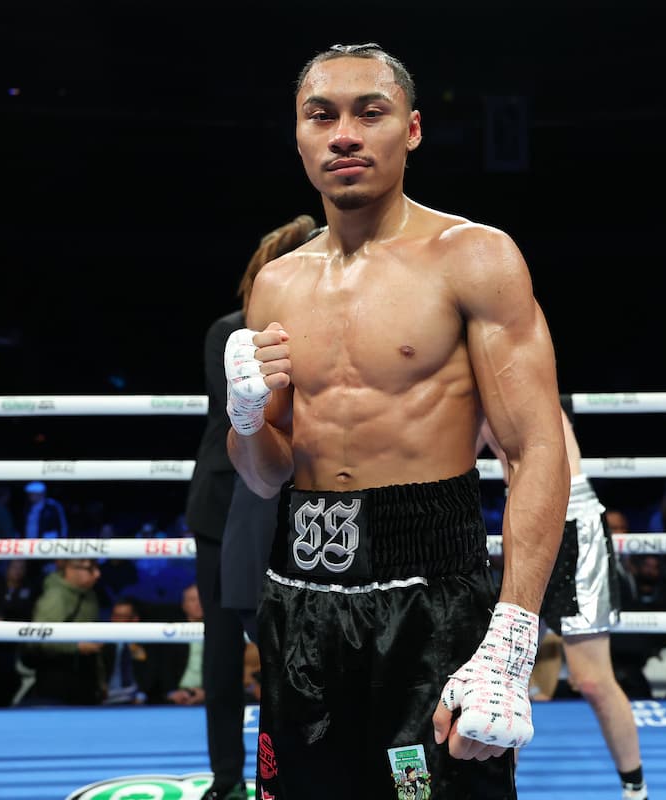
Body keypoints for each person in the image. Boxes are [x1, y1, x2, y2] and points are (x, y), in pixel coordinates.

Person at [225, 43, 569, 798]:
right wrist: (247, 419)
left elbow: (537, 449)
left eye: (368, 112)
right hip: (300, 591)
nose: (343, 133)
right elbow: (264, 475)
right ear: (299, 135)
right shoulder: (275, 285)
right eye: (322, 115)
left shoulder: (472, 258)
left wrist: (512, 638)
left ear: (410, 131)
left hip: (430, 596)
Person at [184, 213, 321, 800]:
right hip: (228, 502)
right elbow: (245, 415)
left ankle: (299, 771)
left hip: (302, 500)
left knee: (302, 647)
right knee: (222, 646)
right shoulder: (233, 332)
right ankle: (226, 776)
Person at [479, 407, 648, 800]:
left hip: (571, 521)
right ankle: (503, 790)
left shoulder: (512, 363)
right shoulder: (459, 382)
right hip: (521, 521)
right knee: (506, 677)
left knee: (592, 680)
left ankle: (636, 791)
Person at [19, 558, 105, 706]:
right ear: (71, 569)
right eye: (90, 568)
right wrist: (76, 647)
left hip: (85, 677)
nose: (97, 574)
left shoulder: (90, 595)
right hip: (57, 678)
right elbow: (37, 641)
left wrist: (101, 681)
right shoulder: (55, 597)